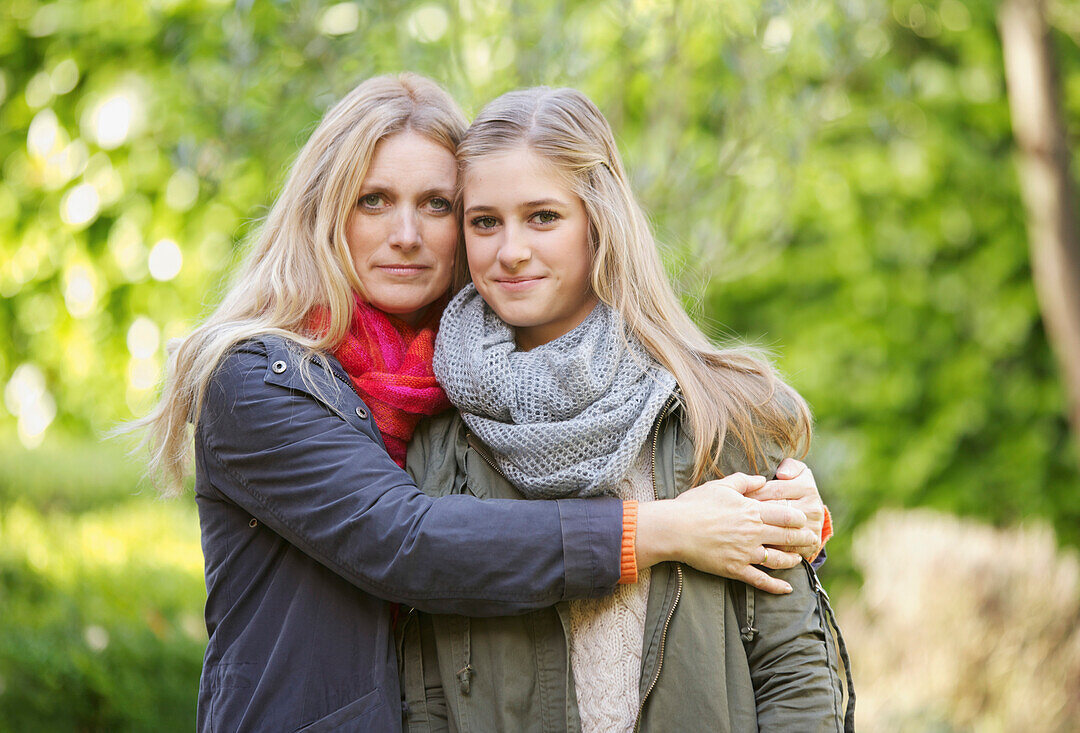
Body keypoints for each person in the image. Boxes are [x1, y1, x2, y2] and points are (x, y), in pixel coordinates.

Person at [129, 74, 828, 732]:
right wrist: (664, 528)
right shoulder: (264, 379)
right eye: (373, 199)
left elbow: (789, 652)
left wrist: (786, 511)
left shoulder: (460, 384)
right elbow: (413, 542)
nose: (408, 233)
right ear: (323, 211)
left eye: (437, 205)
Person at [400, 86, 853, 732]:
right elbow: (427, 694)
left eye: (544, 216)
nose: (511, 250)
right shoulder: (441, 441)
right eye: (485, 221)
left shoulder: (712, 412)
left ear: (598, 220)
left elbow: (793, 668)